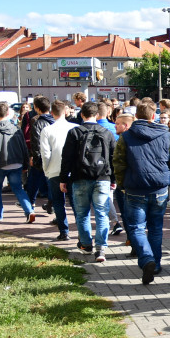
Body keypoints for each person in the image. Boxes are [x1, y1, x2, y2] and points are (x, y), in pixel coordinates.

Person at [114, 100, 170, 284]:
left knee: (136, 227)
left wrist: (122, 184)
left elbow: (118, 162)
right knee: (156, 227)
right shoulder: (166, 134)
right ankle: (155, 263)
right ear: (153, 116)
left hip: (135, 187)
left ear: (136, 117)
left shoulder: (126, 136)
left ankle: (147, 259)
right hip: (159, 187)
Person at [60, 102, 116, 263]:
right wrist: (113, 179)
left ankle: (85, 244)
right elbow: (112, 158)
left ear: (82, 115)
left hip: (79, 177)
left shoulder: (75, 132)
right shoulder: (106, 132)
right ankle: (101, 248)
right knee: (101, 213)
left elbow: (67, 158)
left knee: (82, 213)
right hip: (102, 177)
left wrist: (64, 179)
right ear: (97, 115)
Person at [0, 102, 35, 223]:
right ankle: (29, 210)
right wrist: (25, 163)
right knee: (18, 188)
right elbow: (23, 147)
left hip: (0, 164)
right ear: (8, 113)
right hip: (16, 162)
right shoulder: (16, 128)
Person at [39, 100, 79, 242]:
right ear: (65, 112)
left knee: (58, 202)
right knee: (76, 202)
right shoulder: (75, 127)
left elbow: (45, 153)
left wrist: (46, 169)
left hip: (55, 169)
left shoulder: (47, 130)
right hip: (74, 171)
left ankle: (64, 231)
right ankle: (81, 231)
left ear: (52, 113)